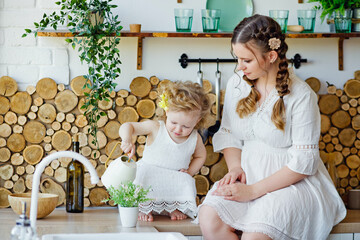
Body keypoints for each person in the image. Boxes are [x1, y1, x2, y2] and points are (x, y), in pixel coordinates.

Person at [196, 14, 346, 240]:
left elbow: (304, 162)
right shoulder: (237, 83)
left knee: (254, 236)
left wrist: (253, 192)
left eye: (246, 60)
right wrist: (236, 168)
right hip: (249, 175)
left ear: (271, 56)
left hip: (292, 185)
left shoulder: (301, 95)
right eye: (237, 58)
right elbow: (228, 132)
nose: (240, 67)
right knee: (209, 216)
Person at [119, 80, 210, 222]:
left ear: (197, 120)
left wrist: (190, 171)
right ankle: (143, 207)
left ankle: (172, 207)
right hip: (150, 173)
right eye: (174, 123)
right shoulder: (156, 127)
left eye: (186, 126)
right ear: (167, 111)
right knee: (141, 175)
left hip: (174, 176)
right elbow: (127, 125)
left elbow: (201, 155)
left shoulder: (195, 138)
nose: (178, 130)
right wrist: (126, 139)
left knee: (185, 179)